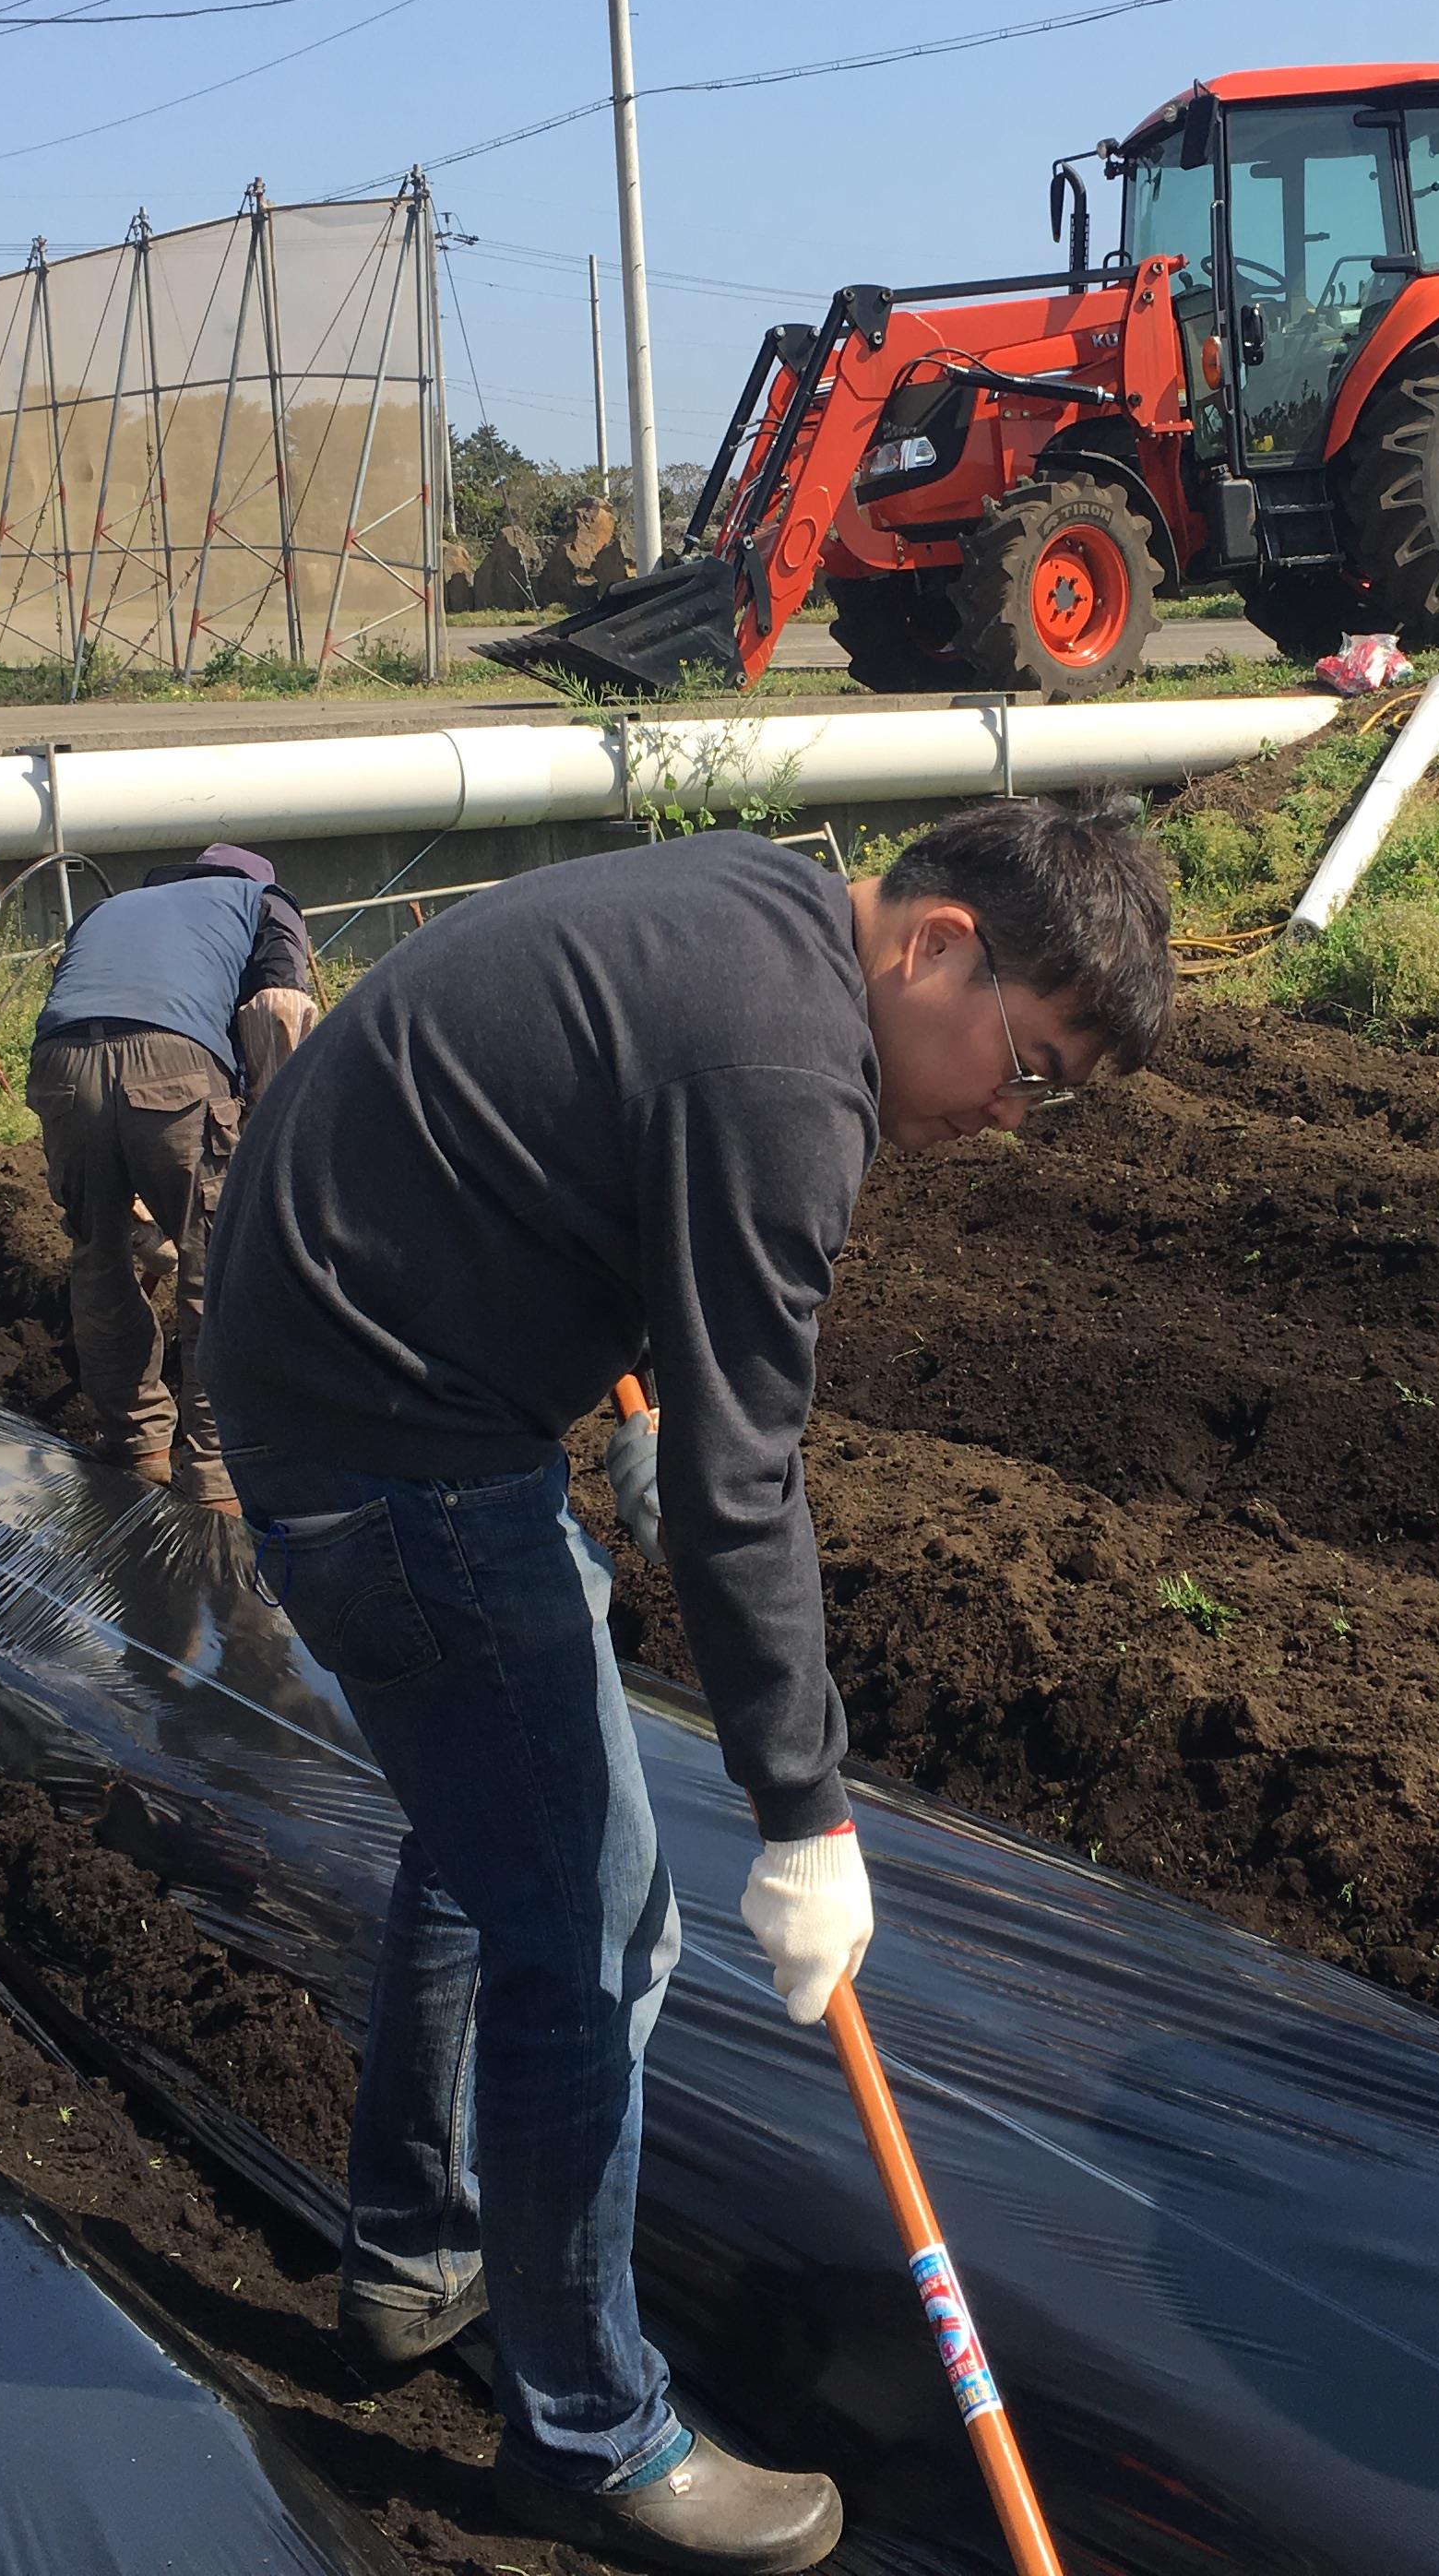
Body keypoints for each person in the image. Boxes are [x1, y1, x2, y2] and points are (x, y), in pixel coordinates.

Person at [206, 795, 1171, 2574]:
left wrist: (634, 1364)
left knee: (482, 1829)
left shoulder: (763, 909)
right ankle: (586, 2428)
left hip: (353, 1369)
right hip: (386, 1440)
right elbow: (745, 1484)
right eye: (1025, 1066)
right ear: (937, 941)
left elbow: (582, 1142)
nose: (1004, 1119)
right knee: (597, 1925)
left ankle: (418, 2250)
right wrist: (805, 1807)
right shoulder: (792, 1066)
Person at [24, 843, 318, 1509]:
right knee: (212, 1264)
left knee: (97, 1257)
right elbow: (277, 1010)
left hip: (61, 1068)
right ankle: (217, 1472)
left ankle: (136, 1444)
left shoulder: (110, 908)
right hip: (174, 1067)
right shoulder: (264, 903)